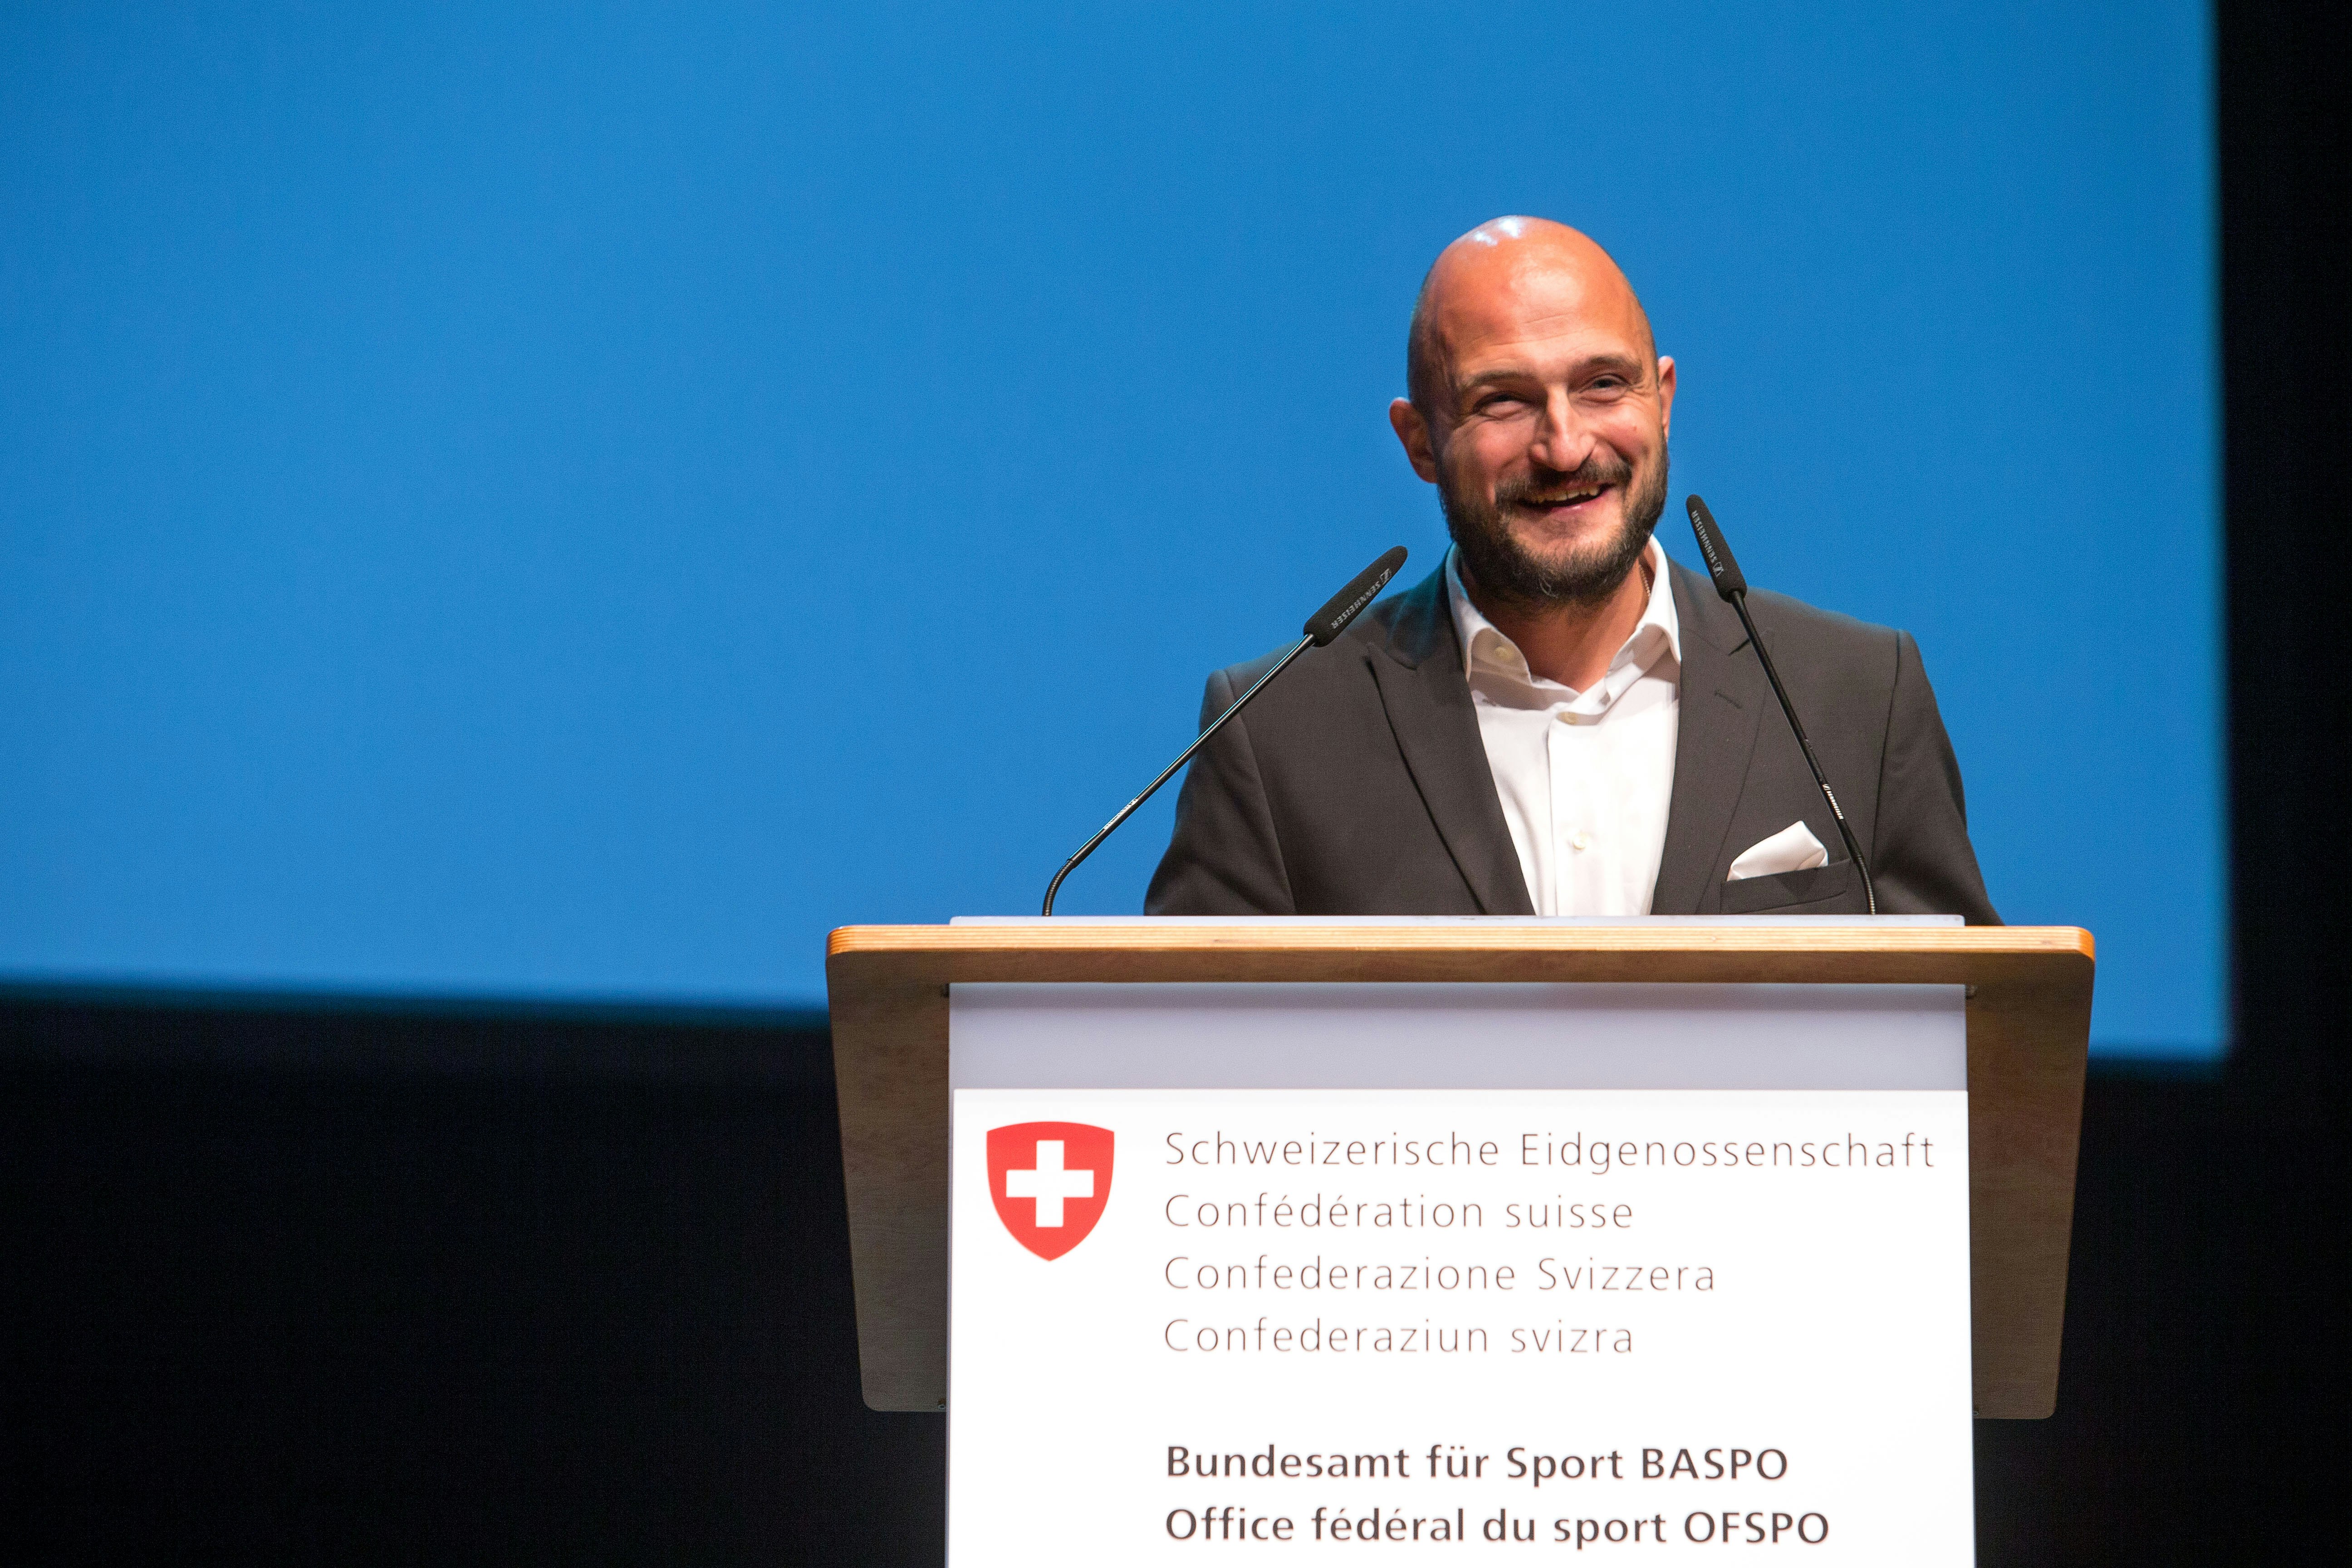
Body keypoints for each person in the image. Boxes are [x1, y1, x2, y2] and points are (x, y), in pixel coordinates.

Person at [1146, 217, 1997, 921]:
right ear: (1419, 444)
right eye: (1503, 401)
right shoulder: (1274, 733)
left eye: (1601, 385)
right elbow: (1184, 1079)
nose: (1565, 446)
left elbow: (1971, 1054)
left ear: (1662, 402)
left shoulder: (1855, 696)